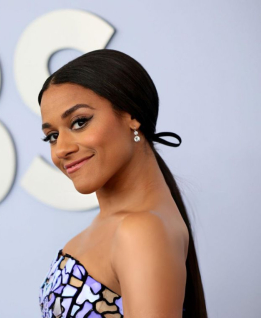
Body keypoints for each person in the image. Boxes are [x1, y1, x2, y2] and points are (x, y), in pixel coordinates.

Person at [37, 49, 207, 318]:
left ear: (132, 115)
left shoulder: (140, 231)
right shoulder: (129, 226)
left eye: (80, 122)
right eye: (53, 136)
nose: (61, 149)